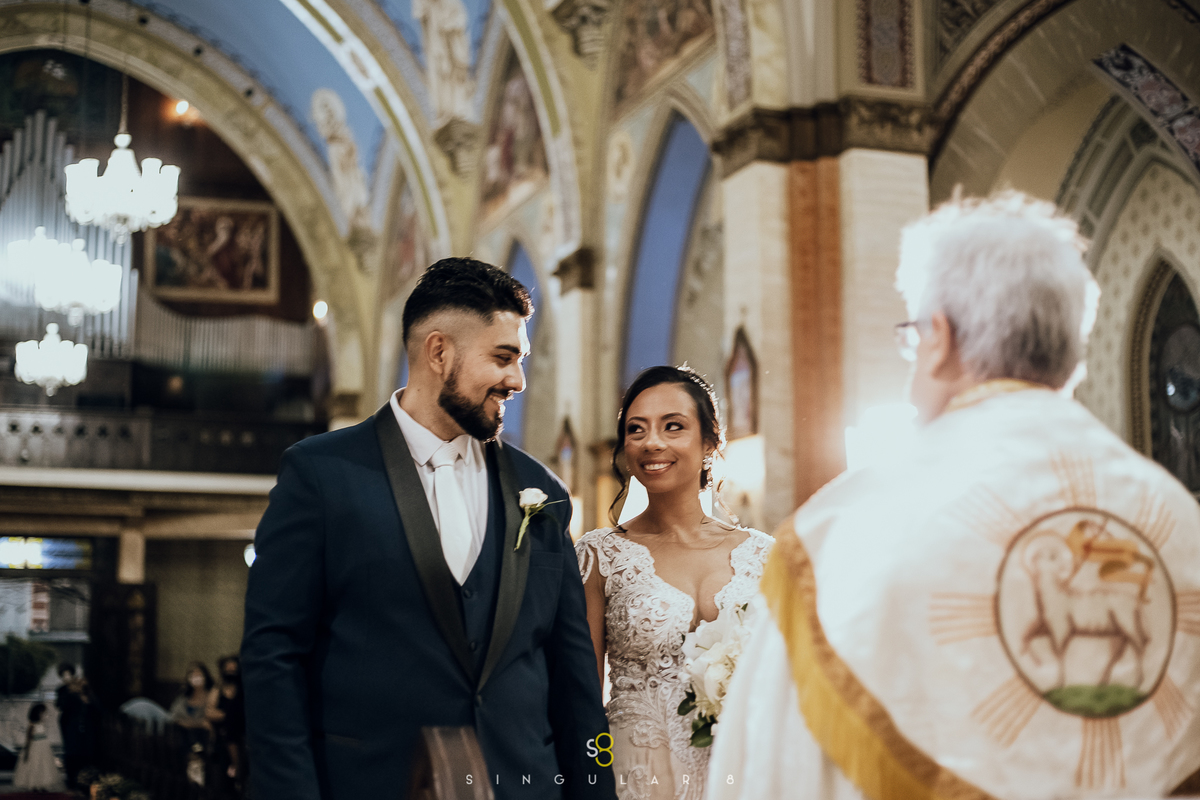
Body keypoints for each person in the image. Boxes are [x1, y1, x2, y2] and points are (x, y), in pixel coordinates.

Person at [708, 192, 1200, 799]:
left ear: (938, 338)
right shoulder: (1178, 516)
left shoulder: (846, 531)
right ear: (1074, 354)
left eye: (912, 338)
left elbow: (768, 771)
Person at [242, 257, 615, 800]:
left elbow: (575, 678)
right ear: (439, 352)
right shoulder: (322, 474)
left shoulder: (542, 491)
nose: (518, 379)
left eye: (521, 359)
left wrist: (595, 790)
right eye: (503, 357)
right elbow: (273, 656)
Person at [575, 366, 772, 800]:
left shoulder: (764, 554)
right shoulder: (600, 554)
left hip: (743, 770)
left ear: (709, 443)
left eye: (673, 426)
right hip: (637, 774)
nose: (652, 443)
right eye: (636, 429)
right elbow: (581, 695)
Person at [171, 661, 216, 785]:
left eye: (199, 674)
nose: (196, 677)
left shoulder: (211, 696)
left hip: (204, 742)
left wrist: (192, 723)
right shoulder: (184, 697)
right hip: (183, 742)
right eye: (192, 674)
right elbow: (175, 717)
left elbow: (208, 722)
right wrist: (197, 723)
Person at [209, 655, 246, 795]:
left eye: (234, 669)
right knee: (221, 783)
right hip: (221, 742)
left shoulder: (241, 691)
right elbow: (209, 713)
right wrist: (230, 716)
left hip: (240, 741)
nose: (231, 672)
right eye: (228, 669)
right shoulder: (217, 690)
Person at [55, 663, 94, 789]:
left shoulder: (80, 686)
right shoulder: (62, 690)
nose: (66, 677)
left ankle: (81, 777)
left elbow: (87, 702)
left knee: (81, 749)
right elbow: (60, 704)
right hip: (68, 722)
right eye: (63, 675)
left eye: (68, 674)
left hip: (80, 723)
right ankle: (71, 778)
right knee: (70, 749)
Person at [14, 703, 61, 790]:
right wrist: (27, 752)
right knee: (35, 766)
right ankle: (34, 785)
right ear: (37, 714)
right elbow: (28, 740)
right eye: (43, 713)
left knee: (43, 766)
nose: (45, 716)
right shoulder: (32, 725)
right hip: (35, 749)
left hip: (44, 748)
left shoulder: (42, 725)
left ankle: (42, 784)